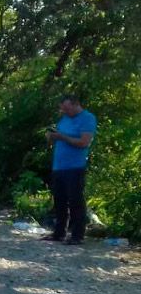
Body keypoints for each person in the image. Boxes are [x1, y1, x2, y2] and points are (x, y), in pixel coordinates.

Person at [43, 93, 97, 245]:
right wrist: (51, 137)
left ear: (75, 104)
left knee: (75, 200)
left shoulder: (87, 118)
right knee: (59, 200)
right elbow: (58, 140)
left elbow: (84, 142)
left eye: (67, 109)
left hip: (75, 166)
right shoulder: (64, 119)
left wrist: (62, 137)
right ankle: (59, 232)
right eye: (63, 109)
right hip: (59, 165)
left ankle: (77, 235)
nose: (65, 112)